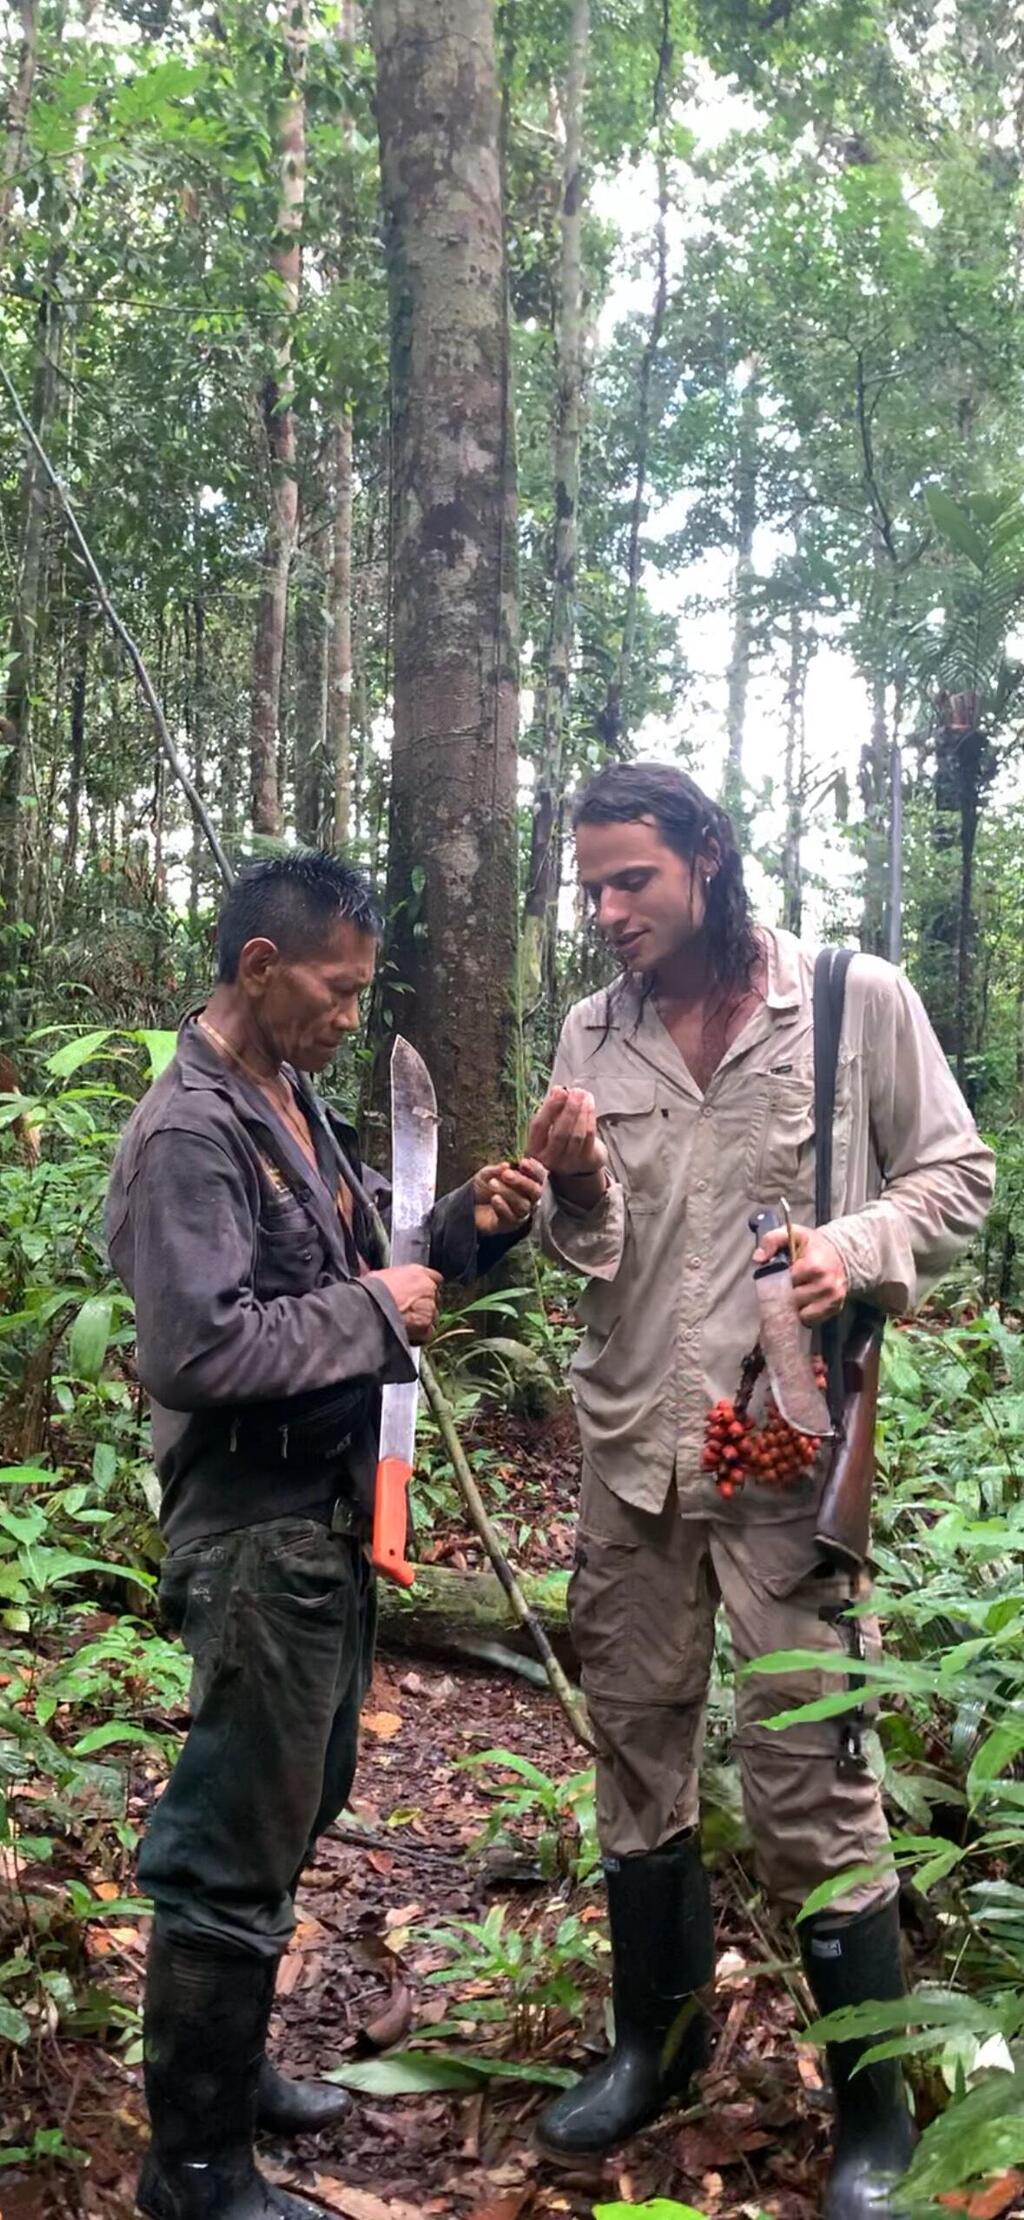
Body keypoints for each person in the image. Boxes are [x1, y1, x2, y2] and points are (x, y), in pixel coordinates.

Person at [526, 763, 994, 2217]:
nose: (606, 913)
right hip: (633, 1457)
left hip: (787, 1455)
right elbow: (588, 1254)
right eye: (590, 886)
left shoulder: (854, 1000)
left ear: (709, 860)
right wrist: (575, 1190)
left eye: (633, 882)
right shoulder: (592, 1032)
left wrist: (855, 1247)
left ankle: (874, 2113)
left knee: (811, 1782)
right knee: (637, 1746)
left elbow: (960, 1177)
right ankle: (648, 2051)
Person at [106, 853, 542, 2220]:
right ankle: (193, 2171)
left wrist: (467, 1228)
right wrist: (378, 1309)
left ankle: (231, 2086)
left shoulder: (283, 1099)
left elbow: (369, 1257)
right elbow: (196, 1347)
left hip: (325, 1520)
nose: (352, 1015)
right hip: (253, 1529)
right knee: (231, 1840)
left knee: (297, 1803)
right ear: (259, 968)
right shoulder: (190, 1132)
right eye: (336, 989)